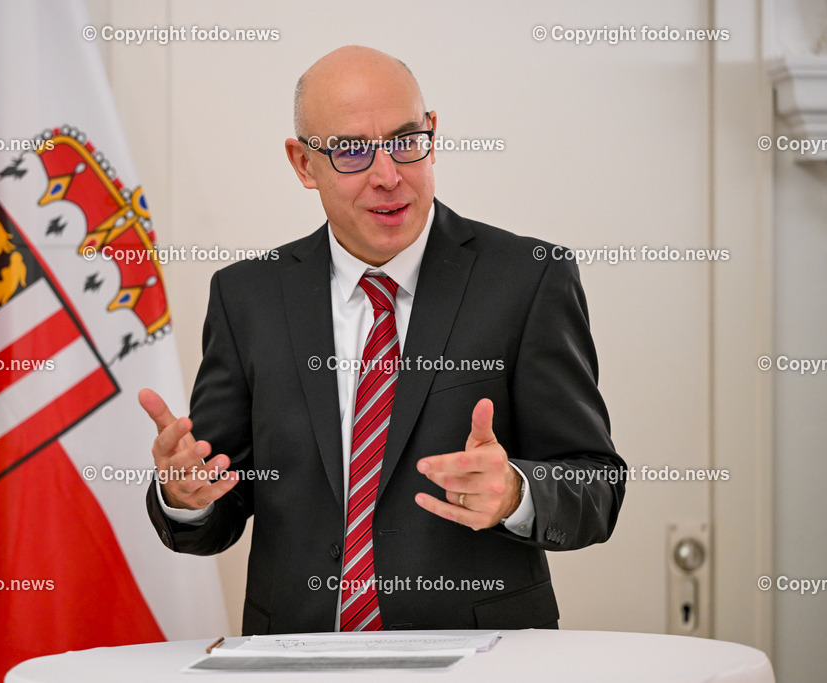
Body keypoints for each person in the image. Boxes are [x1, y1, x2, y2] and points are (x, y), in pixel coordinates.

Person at [141, 45, 625, 634]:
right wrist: (186, 495)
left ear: (433, 134)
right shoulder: (247, 298)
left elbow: (595, 482)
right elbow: (220, 503)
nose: (388, 175)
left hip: (480, 661)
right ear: (302, 163)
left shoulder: (528, 278)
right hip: (296, 660)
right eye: (351, 150)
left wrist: (518, 493)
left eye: (405, 141)